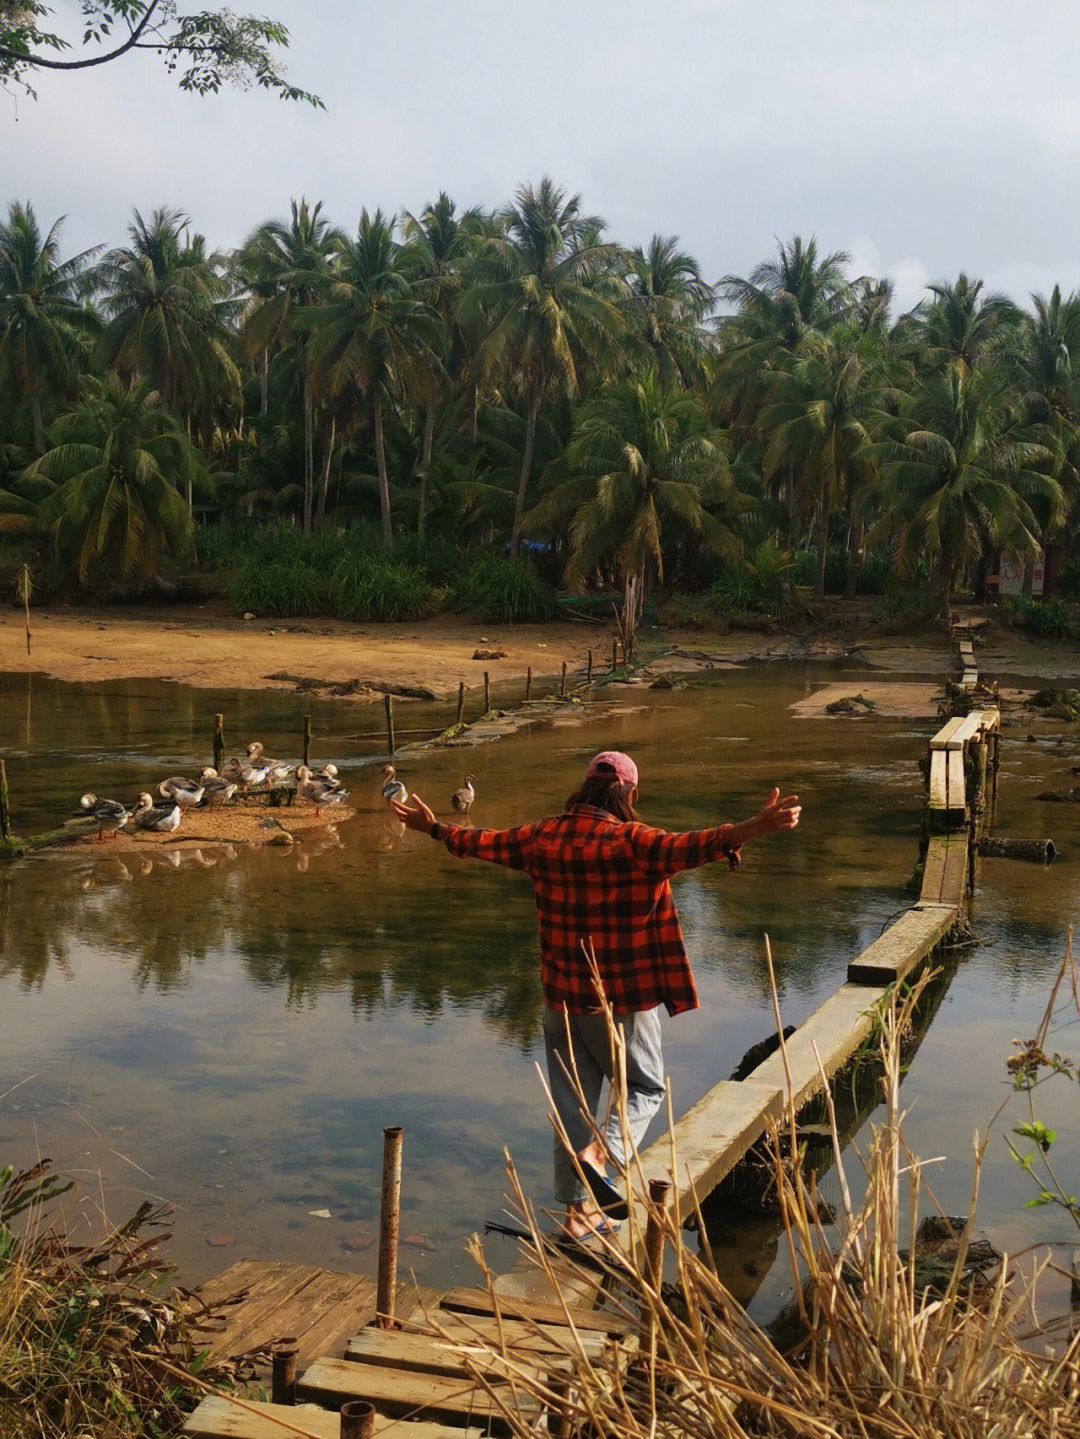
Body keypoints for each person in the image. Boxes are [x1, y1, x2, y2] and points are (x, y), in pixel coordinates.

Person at [391, 750, 801, 1239]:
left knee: (573, 1106)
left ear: (584, 788)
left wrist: (435, 829)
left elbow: (483, 842)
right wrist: (753, 828)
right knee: (645, 1088)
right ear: (628, 794)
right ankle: (602, 1157)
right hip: (619, 1001)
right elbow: (694, 846)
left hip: (560, 1000)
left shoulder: (543, 835)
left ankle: (579, 1215)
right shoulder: (633, 842)